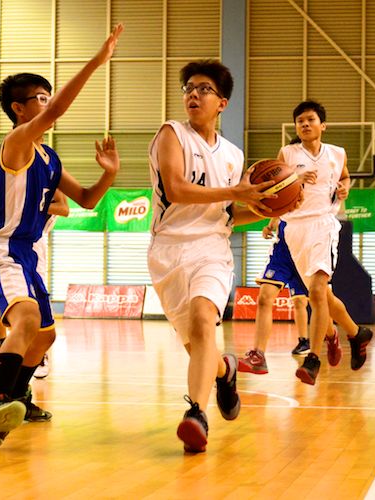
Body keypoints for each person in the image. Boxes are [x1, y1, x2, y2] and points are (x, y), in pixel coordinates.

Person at [0, 23, 123, 449]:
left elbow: (88, 200)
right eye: (38, 99)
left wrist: (109, 175)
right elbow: (57, 112)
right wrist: (97, 61)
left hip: (31, 257)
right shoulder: (18, 143)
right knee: (24, 320)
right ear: (18, 109)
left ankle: (20, 396)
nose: (46, 104)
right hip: (5, 250)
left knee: (45, 336)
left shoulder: (48, 156)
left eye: (47, 96)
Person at [148, 59, 278, 453]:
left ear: (222, 103)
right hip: (168, 250)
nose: (193, 93)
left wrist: (266, 208)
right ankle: (226, 371)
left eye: (204, 89)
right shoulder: (172, 133)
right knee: (201, 352)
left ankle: (196, 415)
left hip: (212, 250)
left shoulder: (234, 156)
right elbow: (175, 189)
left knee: (206, 321)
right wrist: (236, 194)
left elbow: (227, 214)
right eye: (189, 87)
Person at [280, 101, 374, 385]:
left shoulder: (337, 153)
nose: (304, 125)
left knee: (318, 292)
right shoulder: (287, 153)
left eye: (310, 120)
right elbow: (276, 186)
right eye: (300, 121)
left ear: (323, 125)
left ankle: (313, 358)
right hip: (294, 228)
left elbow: (344, 178)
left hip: (323, 224)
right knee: (320, 296)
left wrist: (346, 187)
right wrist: (294, 177)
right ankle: (356, 333)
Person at [0, 191, 69, 378]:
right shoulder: (12, 175)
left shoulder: (49, 175)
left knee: (34, 295)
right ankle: (1, 343)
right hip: (5, 238)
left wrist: (27, 205)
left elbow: (63, 208)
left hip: (33, 241)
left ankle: (38, 352)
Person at [238, 218, 310, 374]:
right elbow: (279, 209)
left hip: (306, 252)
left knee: (321, 301)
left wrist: (343, 192)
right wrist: (269, 227)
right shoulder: (288, 196)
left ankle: (333, 336)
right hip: (282, 255)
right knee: (264, 298)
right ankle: (258, 355)